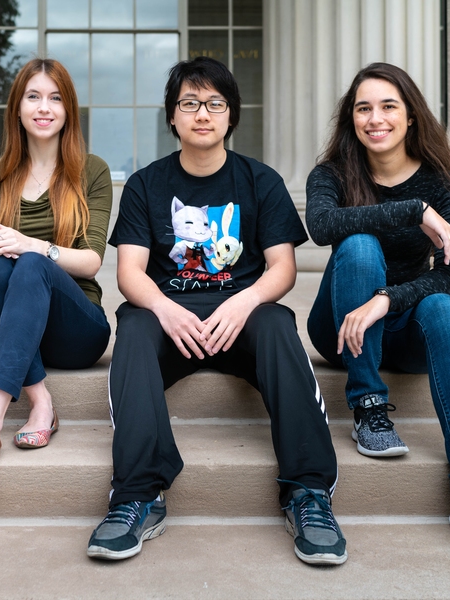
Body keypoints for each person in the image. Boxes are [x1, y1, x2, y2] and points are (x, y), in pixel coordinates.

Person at [86, 57, 346, 566]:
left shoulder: (260, 181)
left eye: (214, 104)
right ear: (172, 117)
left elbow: (281, 269)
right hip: (170, 322)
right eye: (189, 103)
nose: (201, 114)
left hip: (241, 320)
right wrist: (165, 308)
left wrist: (244, 300)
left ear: (230, 116)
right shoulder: (144, 185)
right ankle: (137, 494)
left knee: (275, 322)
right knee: (134, 325)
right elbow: (130, 273)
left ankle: (308, 492)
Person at [305, 62, 450, 557]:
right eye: (363, 108)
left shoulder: (445, 184)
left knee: (443, 306)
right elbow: (321, 226)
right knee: (357, 244)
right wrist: (412, 210)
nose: (374, 118)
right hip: (340, 324)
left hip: (398, 327)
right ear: (351, 119)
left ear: (411, 117)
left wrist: (386, 300)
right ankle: (368, 406)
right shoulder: (332, 174)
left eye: (388, 106)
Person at [0, 59, 112, 480]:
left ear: (68, 110)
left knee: (31, 262)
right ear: (17, 110)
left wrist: (32, 245)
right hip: (12, 330)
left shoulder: (91, 171)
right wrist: (15, 251)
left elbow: (92, 261)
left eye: (56, 98)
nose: (45, 108)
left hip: (77, 329)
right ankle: (40, 400)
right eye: (34, 97)